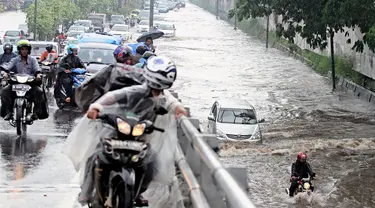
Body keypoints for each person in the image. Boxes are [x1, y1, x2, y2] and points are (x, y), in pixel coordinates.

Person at [80, 56, 187, 206]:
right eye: (155, 88)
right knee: (96, 156)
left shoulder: (162, 97)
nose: (156, 92)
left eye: (159, 89)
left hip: (139, 136)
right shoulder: (135, 91)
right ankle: (86, 192)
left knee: (152, 163)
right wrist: (96, 108)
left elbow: (171, 103)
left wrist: (179, 110)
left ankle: (138, 192)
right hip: (116, 130)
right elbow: (113, 97)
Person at [75, 46, 145, 113]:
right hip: (109, 111)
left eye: (129, 58)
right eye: (127, 59)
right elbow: (91, 86)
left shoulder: (137, 70)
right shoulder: (109, 70)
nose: (128, 61)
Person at [0, 40, 48, 121]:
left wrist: (38, 75)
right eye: (22, 49)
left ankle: (35, 113)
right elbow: (7, 67)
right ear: (19, 50)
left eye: (26, 49)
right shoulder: (14, 59)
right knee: (4, 91)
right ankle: (9, 112)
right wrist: (4, 73)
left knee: (39, 92)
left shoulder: (33, 60)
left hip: (30, 83)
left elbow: (37, 69)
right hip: (15, 83)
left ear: (28, 50)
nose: (24, 51)